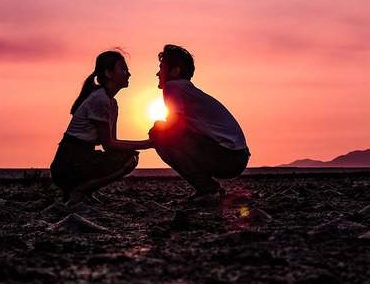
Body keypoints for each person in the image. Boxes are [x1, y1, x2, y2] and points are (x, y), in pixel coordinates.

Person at [149, 44, 250, 202]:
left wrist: (150, 142)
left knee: (158, 132)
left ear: (175, 71)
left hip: (229, 157)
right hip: (237, 156)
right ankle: (209, 189)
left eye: (161, 68)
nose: (157, 73)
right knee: (162, 131)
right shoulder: (186, 90)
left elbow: (173, 130)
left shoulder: (173, 87)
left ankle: (207, 190)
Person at [50, 50, 152, 205]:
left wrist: (145, 144)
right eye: (123, 69)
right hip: (68, 163)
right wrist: (148, 143)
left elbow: (112, 143)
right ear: (109, 73)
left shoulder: (112, 103)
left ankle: (83, 191)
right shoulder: (100, 99)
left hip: (81, 158)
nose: (129, 74)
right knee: (129, 158)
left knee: (129, 156)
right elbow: (109, 144)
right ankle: (79, 190)